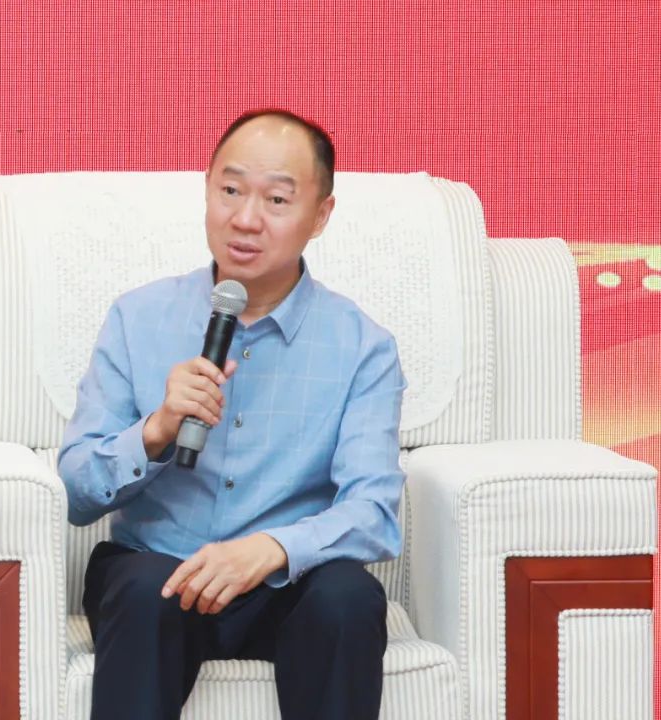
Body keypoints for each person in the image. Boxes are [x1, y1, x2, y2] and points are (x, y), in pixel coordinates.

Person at [58, 108, 407, 720]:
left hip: (286, 583)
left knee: (348, 597)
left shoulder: (362, 347)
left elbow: (373, 511)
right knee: (142, 590)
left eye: (277, 199)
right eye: (230, 190)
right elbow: (76, 492)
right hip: (158, 576)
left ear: (320, 215)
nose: (245, 219)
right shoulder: (137, 318)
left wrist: (272, 548)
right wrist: (156, 430)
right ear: (207, 189)